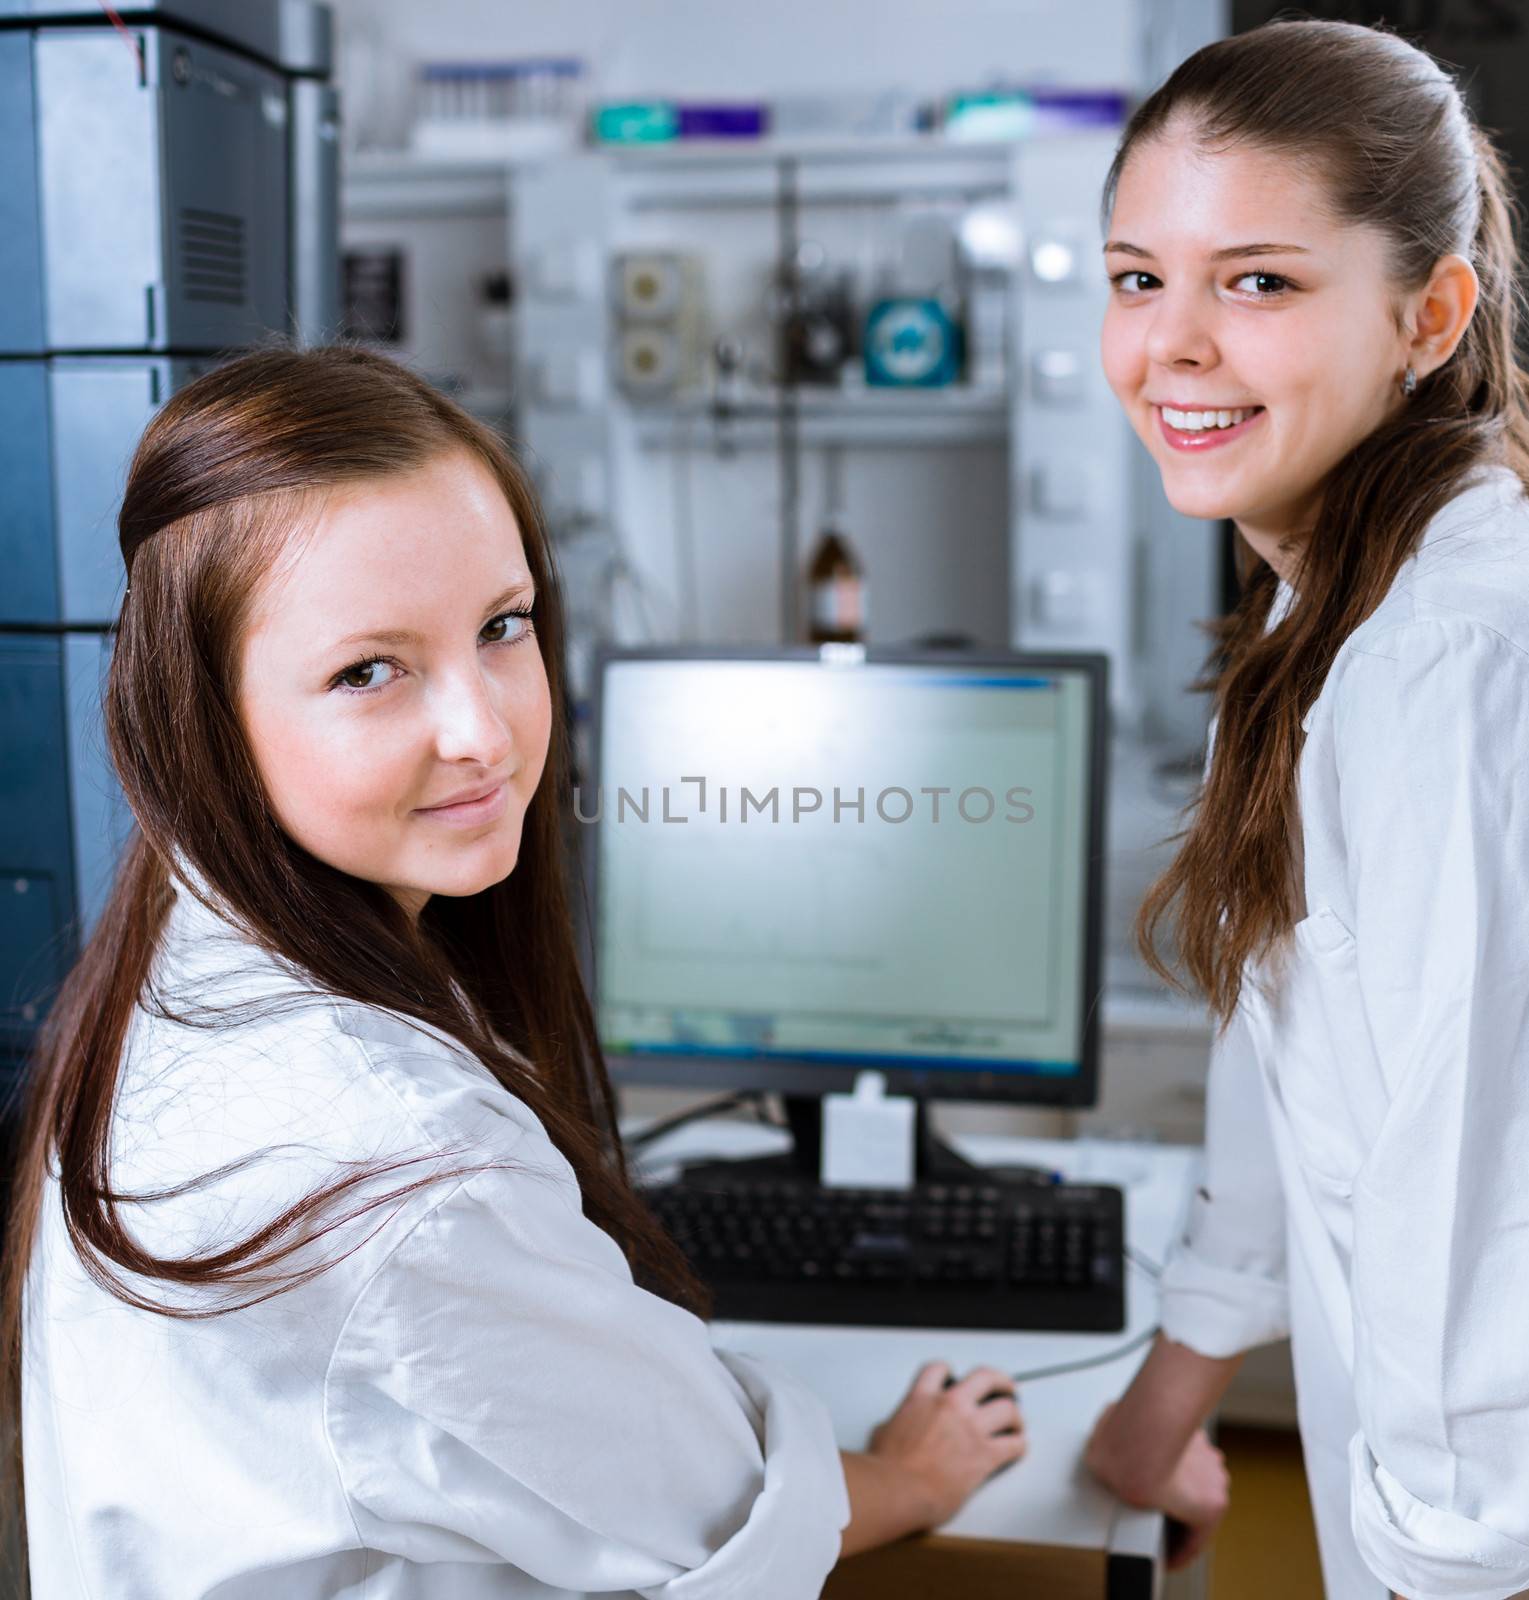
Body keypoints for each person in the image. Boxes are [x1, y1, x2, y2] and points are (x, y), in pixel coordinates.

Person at [2, 345, 1027, 1599]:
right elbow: (709, 1510)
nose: (484, 731)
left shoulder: (181, 938)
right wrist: (914, 1478)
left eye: (501, 627)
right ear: (204, 717)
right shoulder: (402, 1166)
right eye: (367, 670)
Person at [1080, 19, 1529, 1600]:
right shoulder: (1354, 619)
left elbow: (1514, 1221)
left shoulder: (1458, 666)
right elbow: (1311, 1043)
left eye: (1258, 282)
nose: (1171, 344)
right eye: (1135, 276)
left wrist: (1447, 1577)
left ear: (1427, 315)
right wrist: (1168, 1397)